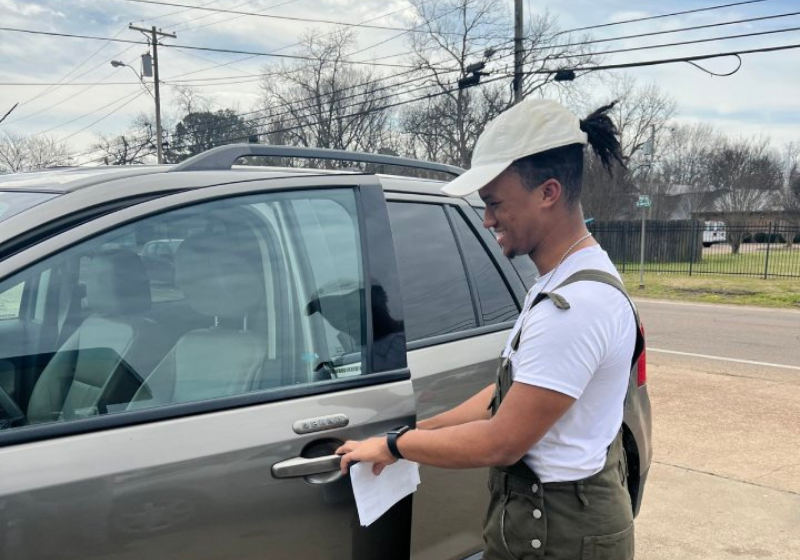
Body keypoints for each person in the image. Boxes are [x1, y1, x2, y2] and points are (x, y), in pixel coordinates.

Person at [337, 98, 643, 560]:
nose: (487, 219)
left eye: (496, 203)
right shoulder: (561, 281)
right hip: (545, 525)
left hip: (560, 538)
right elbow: (505, 397)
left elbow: (502, 440)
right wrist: (419, 430)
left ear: (548, 192)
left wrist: (398, 446)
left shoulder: (576, 307)